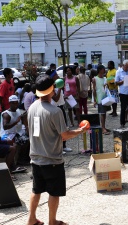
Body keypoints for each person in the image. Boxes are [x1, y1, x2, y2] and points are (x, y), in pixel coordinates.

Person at [26, 74, 88, 225]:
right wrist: (81, 131)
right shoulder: (55, 111)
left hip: (35, 158)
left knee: (36, 190)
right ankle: (52, 221)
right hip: (52, 159)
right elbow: (65, 135)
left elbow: (34, 131)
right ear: (51, 90)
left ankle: (31, 219)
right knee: (54, 192)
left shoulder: (32, 107)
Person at [0, 95, 30, 167]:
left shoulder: (18, 111)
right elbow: (5, 127)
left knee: (29, 139)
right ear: (10, 103)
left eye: (16, 103)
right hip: (8, 134)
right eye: (13, 103)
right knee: (21, 142)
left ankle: (23, 159)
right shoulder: (6, 114)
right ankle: (17, 162)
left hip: (18, 132)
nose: (15, 105)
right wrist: (16, 122)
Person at [115, 59, 128, 128]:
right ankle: (122, 123)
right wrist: (122, 81)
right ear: (123, 66)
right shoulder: (119, 71)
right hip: (123, 92)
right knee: (123, 108)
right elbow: (116, 82)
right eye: (126, 67)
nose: (127, 68)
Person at [92, 64, 111, 135]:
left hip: (105, 98)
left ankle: (103, 126)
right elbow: (94, 90)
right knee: (102, 113)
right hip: (99, 98)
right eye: (103, 69)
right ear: (100, 70)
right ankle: (102, 128)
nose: (104, 70)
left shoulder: (105, 78)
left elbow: (106, 88)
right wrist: (94, 100)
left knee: (104, 113)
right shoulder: (95, 79)